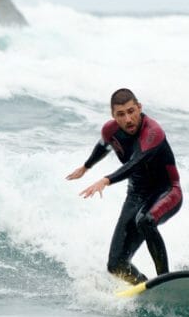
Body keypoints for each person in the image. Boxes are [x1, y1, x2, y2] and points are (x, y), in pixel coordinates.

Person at [66, 89, 182, 285]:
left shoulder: (153, 132)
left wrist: (106, 180)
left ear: (139, 108)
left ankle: (164, 280)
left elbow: (136, 162)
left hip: (167, 191)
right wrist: (86, 167)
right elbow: (104, 145)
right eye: (121, 114)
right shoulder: (110, 130)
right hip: (136, 194)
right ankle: (143, 286)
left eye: (131, 111)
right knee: (116, 265)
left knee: (145, 221)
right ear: (113, 116)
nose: (128, 119)